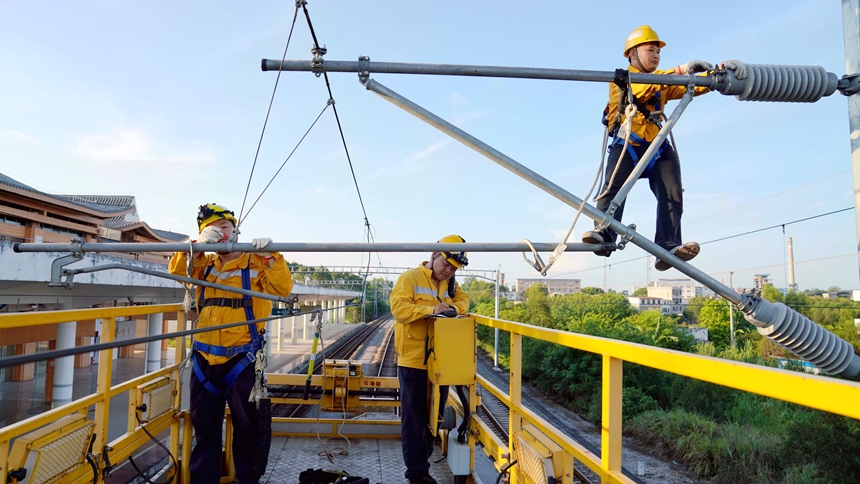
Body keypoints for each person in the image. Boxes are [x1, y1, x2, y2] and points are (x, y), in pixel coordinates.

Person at [582, 25, 747, 271]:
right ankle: (605, 235)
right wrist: (680, 70)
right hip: (628, 143)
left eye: (658, 51)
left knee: (672, 192)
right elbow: (641, 87)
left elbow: (689, 86)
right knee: (612, 189)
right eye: (650, 50)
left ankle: (667, 246)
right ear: (632, 54)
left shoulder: (663, 82)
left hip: (656, 146)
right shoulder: (619, 78)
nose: (656, 55)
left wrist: (719, 74)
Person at [168, 203, 293, 484]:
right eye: (213, 231)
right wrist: (194, 245)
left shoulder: (258, 264)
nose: (221, 235)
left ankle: (247, 480)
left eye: (224, 228)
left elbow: (283, 288)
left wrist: (270, 255)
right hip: (204, 361)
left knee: (248, 428)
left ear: (236, 229)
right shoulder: (202, 264)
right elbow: (177, 271)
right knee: (205, 429)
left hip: (243, 360)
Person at [389, 235, 471, 484]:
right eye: (446, 264)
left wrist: (454, 309)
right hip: (413, 360)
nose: (448, 271)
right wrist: (429, 310)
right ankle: (416, 473)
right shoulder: (410, 278)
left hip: (440, 361)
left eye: (454, 268)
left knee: (433, 416)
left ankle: (421, 465)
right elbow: (399, 309)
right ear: (434, 255)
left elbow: (464, 301)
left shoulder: (450, 285)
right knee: (414, 419)